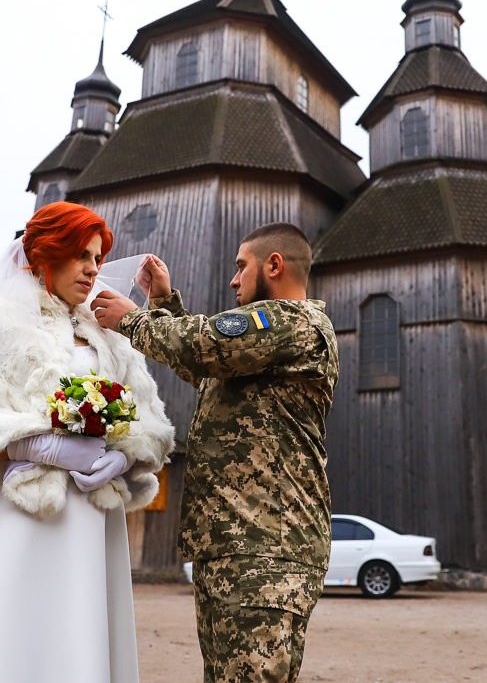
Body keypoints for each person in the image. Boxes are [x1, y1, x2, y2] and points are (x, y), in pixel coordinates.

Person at [0, 201, 174, 683]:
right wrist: (35, 447)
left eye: (98, 257)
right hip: (16, 506)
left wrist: (122, 455)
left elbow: (148, 420)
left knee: (81, 623)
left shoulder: (107, 333)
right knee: (13, 620)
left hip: (90, 513)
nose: (95, 269)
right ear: (49, 253)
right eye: (83, 256)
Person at [92, 222, 338, 683]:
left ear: (275, 265)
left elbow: (206, 345)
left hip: (266, 548)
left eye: (241, 266)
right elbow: (208, 368)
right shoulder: (263, 345)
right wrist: (165, 304)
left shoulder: (291, 321)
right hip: (236, 544)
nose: (233, 279)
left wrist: (131, 317)